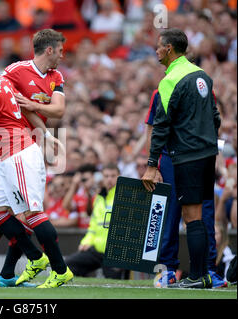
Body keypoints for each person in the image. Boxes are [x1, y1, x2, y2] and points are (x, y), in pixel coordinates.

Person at [0, 42, 73, 288]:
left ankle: (60, 269)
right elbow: (7, 109)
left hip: (16, 152)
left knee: (31, 214)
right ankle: (34, 258)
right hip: (12, 153)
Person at [142, 28, 221, 289]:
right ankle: (206, 274)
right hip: (208, 155)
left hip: (185, 156)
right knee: (200, 216)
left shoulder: (170, 80)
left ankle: (197, 277)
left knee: (191, 218)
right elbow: (216, 118)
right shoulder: (204, 77)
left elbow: (161, 126)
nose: (156, 50)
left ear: (169, 49)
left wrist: (152, 164)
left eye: (159, 46)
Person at [145, 88, 227, 288]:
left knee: (204, 214)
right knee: (168, 216)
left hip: (200, 158)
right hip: (169, 159)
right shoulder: (161, 90)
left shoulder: (205, 88)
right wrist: (153, 165)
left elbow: (215, 123)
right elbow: (152, 129)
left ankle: (208, 270)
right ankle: (166, 270)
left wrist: (216, 154)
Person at [65, 164, 128, 279]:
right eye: (106, 176)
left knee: (115, 283)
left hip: (114, 252)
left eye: (113, 176)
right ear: (102, 178)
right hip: (96, 249)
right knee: (68, 265)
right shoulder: (99, 198)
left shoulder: (124, 197)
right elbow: (93, 225)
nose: (109, 179)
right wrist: (86, 242)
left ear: (119, 177)